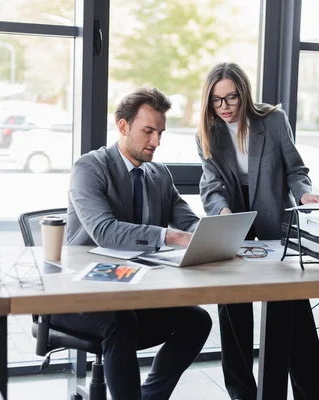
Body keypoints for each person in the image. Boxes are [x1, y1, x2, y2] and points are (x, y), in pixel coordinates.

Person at [53, 87, 212, 400]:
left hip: (133, 292)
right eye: (148, 131)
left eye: (160, 132)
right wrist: (169, 236)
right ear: (123, 126)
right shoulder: (90, 167)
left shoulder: (159, 175)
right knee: (120, 322)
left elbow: (186, 221)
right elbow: (104, 231)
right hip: (79, 295)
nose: (156, 142)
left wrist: (210, 235)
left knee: (197, 320)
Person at [196, 62, 319, 400]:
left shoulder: (272, 120)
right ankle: (242, 394)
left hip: (273, 216)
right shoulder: (207, 133)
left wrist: (304, 193)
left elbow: (296, 169)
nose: (224, 107)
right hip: (233, 215)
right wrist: (223, 213)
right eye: (216, 100)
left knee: (292, 310)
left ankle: (312, 393)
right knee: (232, 308)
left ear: (244, 94)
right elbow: (212, 186)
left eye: (231, 98)